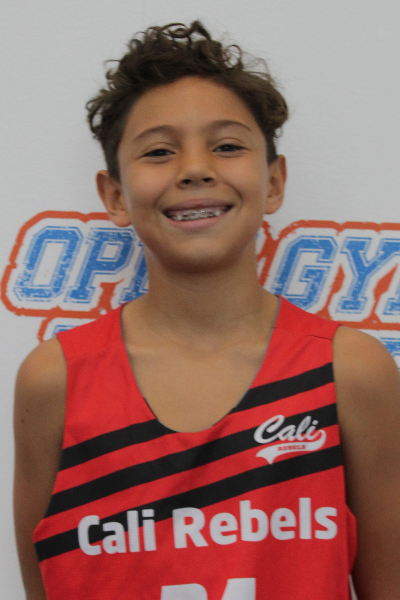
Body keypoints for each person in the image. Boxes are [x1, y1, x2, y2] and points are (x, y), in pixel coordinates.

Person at [13, 21, 400, 600]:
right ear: (115, 195)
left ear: (274, 181)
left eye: (227, 146)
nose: (195, 168)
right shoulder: (55, 379)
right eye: (159, 151)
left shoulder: (351, 371)